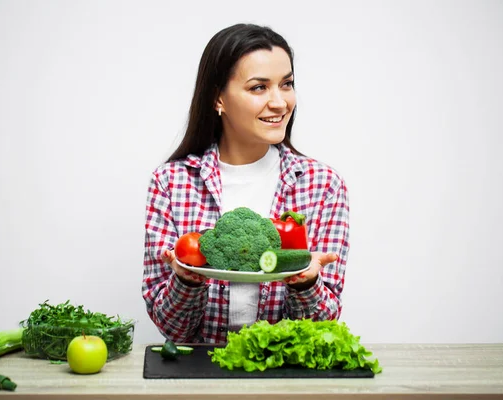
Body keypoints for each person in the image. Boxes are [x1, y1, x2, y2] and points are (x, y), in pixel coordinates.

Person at [142, 23, 349, 344]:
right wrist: (186, 281)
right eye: (258, 87)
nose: (280, 103)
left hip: (286, 381)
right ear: (218, 99)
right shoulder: (171, 182)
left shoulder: (323, 185)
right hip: (200, 377)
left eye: (287, 84)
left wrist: (306, 284)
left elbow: (322, 326)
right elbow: (173, 330)